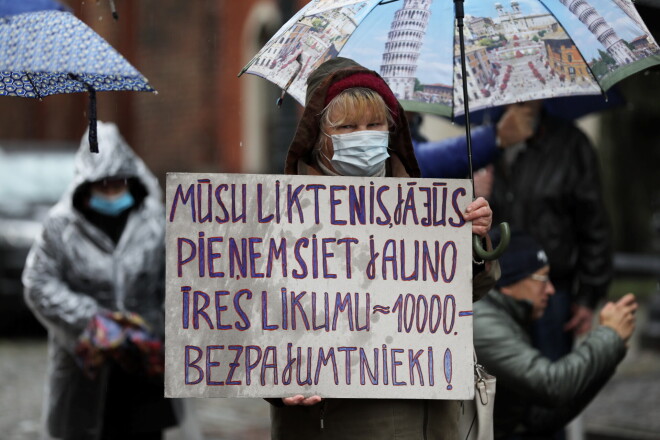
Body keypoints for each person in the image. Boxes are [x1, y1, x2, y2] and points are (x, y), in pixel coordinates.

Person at [270, 57, 500, 439]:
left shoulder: (426, 206)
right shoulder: (280, 216)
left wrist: (473, 241)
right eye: (347, 126)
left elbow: (467, 293)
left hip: (425, 418)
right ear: (319, 135)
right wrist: (276, 387)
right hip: (334, 422)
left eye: (375, 123)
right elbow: (252, 328)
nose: (364, 134)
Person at [22, 122, 201, 440]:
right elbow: (38, 283)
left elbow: (179, 282)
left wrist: (155, 330)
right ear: (85, 184)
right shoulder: (61, 226)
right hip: (84, 366)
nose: (110, 191)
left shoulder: (155, 222)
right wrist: (93, 321)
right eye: (101, 184)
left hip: (145, 367)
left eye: (116, 183)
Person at [412, 103, 613, 362]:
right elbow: (459, 215)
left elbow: (594, 223)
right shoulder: (483, 140)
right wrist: (473, 189)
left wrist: (588, 295)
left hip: (550, 287)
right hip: (495, 287)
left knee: (549, 377)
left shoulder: (571, 143)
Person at [473, 229, 636, 439]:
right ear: (508, 283)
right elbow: (553, 385)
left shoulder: (507, 316)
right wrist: (608, 337)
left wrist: (610, 352)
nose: (550, 290)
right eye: (542, 278)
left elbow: (538, 418)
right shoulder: (483, 322)